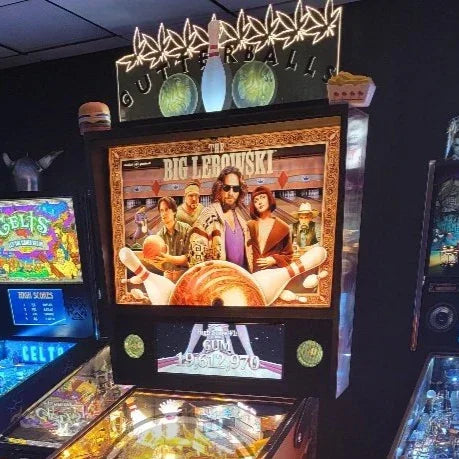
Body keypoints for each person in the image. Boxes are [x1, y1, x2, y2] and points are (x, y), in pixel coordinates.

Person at [188, 166, 253, 272]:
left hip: (240, 278)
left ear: (239, 192)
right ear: (219, 189)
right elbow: (195, 257)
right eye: (227, 188)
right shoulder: (208, 214)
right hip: (217, 277)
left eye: (235, 189)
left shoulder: (242, 221)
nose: (231, 193)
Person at [247, 186, 293, 272]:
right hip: (253, 273)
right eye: (256, 201)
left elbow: (288, 256)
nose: (259, 202)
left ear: (269, 199)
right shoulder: (249, 226)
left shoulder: (283, 227)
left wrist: (274, 259)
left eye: (262, 197)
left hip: (273, 274)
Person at [154, 197, 191, 283]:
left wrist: (169, 258)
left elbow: (189, 258)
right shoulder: (159, 236)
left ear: (174, 211)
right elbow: (160, 264)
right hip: (167, 277)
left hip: (185, 276)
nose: (164, 213)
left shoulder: (186, 229)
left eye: (167, 209)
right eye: (161, 210)